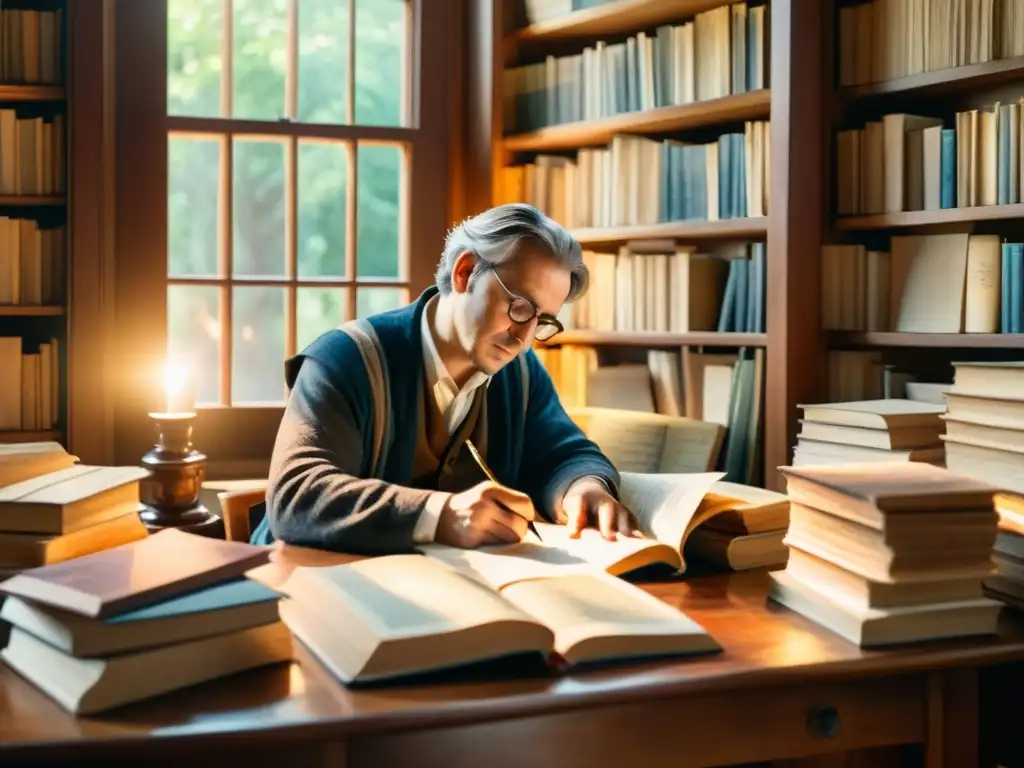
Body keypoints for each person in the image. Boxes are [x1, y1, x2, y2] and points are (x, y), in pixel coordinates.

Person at [250, 203, 639, 554]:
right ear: (465, 272)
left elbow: (565, 454)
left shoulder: (518, 372)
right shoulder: (345, 359)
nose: (523, 340)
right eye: (520, 307)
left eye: (543, 321)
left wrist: (583, 487)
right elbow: (296, 496)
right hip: (301, 592)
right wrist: (441, 514)